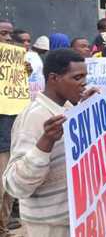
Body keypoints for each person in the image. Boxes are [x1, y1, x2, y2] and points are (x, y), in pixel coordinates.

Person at [2, 49, 91, 236]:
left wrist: (89, 110)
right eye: (77, 78)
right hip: (50, 227)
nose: (84, 83)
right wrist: (45, 143)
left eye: (85, 77)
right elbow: (14, 185)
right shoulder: (34, 118)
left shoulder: (67, 109)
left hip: (74, 221)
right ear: (53, 78)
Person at [0, 19, 15, 236]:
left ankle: (4, 225)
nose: (9, 39)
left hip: (12, 132)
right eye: (4, 34)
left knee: (10, 185)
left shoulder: (14, 63)